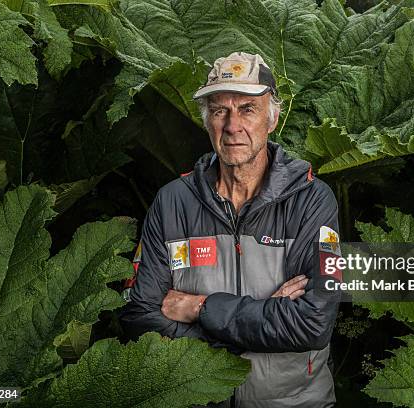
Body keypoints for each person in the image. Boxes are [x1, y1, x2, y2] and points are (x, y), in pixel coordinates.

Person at [120, 52, 340, 407]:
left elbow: (313, 324)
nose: (232, 126)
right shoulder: (173, 201)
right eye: (220, 110)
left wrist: (200, 308)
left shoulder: (311, 199)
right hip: (196, 400)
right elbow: (138, 315)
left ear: (272, 119)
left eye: (248, 109)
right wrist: (259, 321)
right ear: (207, 121)